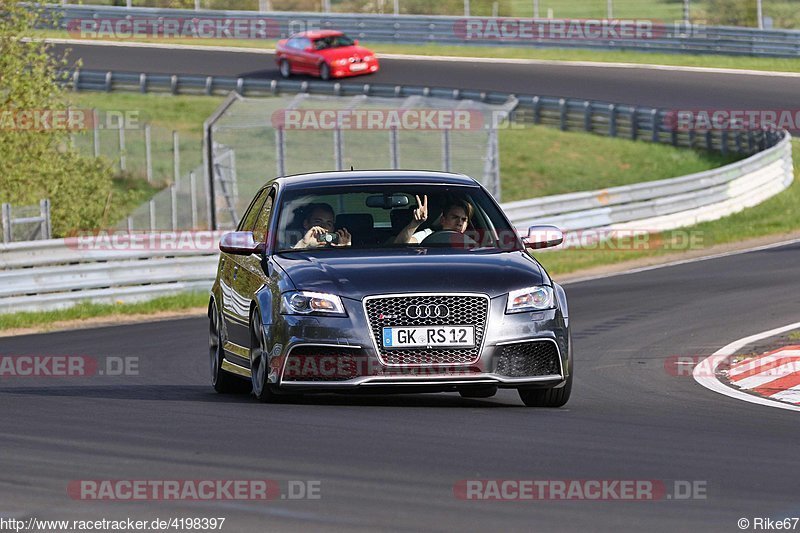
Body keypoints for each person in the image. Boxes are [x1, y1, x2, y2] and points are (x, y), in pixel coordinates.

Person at [394, 196, 473, 244]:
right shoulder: (427, 234)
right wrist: (415, 223)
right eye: (454, 217)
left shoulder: (471, 242)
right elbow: (401, 244)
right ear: (443, 220)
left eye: (464, 219)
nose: (459, 223)